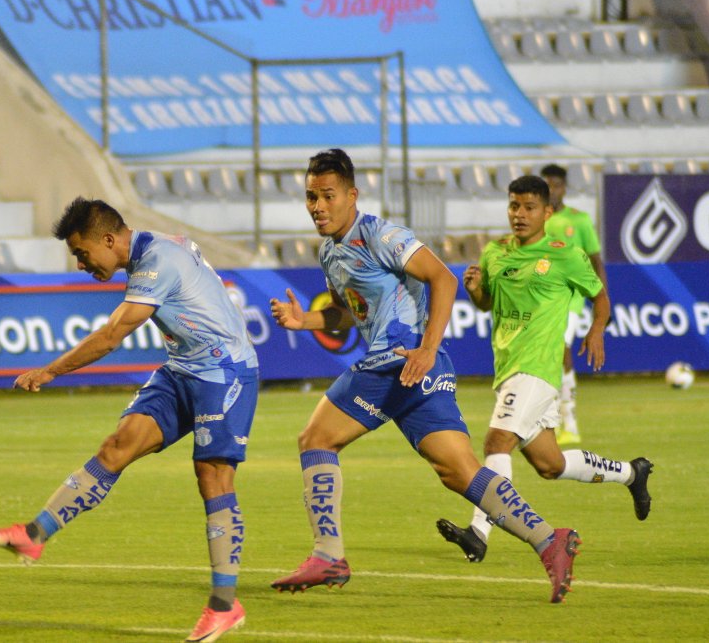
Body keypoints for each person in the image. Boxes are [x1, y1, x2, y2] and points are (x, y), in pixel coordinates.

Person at [268, 149, 580, 603]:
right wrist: (306, 322)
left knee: (315, 440)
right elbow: (345, 312)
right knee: (459, 471)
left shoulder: (380, 234)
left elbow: (444, 279)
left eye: (327, 195)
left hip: (397, 362)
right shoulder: (330, 252)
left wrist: (427, 348)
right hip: (413, 371)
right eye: (311, 196)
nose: (317, 206)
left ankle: (328, 553)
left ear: (352, 195)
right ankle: (550, 540)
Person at [0, 197, 258, 642]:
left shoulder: (158, 260)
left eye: (83, 254)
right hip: (183, 368)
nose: (83, 264)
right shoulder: (153, 248)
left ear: (108, 239)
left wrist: (49, 371)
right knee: (117, 445)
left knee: (213, 476)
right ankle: (33, 534)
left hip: (225, 372)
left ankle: (224, 605)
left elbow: (110, 336)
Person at [436, 174, 652, 562]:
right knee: (550, 464)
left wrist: (597, 328)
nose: (519, 214)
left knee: (496, 442)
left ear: (547, 212)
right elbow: (489, 305)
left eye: (529, 207)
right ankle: (632, 473)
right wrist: (476, 291)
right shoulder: (495, 252)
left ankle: (479, 532)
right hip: (507, 368)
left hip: (536, 368)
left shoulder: (565, 254)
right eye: (514, 206)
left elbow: (600, 297)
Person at [540, 163, 607, 445]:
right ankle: (551, 419)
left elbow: (595, 261)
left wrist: (602, 302)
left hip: (571, 299)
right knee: (547, 356)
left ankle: (570, 422)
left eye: (556, 185)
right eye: (547, 185)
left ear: (564, 187)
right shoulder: (535, 219)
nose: (552, 191)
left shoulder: (578, 221)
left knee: (562, 349)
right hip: (543, 298)